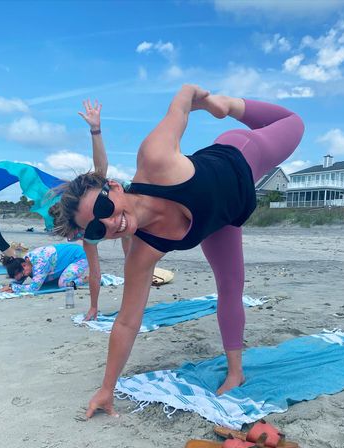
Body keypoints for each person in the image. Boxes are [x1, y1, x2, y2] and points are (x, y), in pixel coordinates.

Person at [54, 85, 305, 418]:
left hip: (242, 156)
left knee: (295, 122)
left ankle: (234, 104)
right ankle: (235, 372)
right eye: (97, 229)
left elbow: (183, 96)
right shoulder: (142, 252)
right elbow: (128, 323)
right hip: (223, 220)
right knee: (231, 288)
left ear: (113, 186)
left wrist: (215, 104)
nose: (111, 222)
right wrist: (107, 388)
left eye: (104, 206)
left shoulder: (154, 158)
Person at [0, 243, 88, 293]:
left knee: (64, 284)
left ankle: (86, 280)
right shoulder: (26, 260)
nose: (24, 276)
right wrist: (12, 285)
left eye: (23, 274)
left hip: (79, 257)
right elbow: (19, 278)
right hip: (67, 257)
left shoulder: (40, 263)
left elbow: (34, 288)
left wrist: (14, 288)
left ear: (24, 265)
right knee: (44, 280)